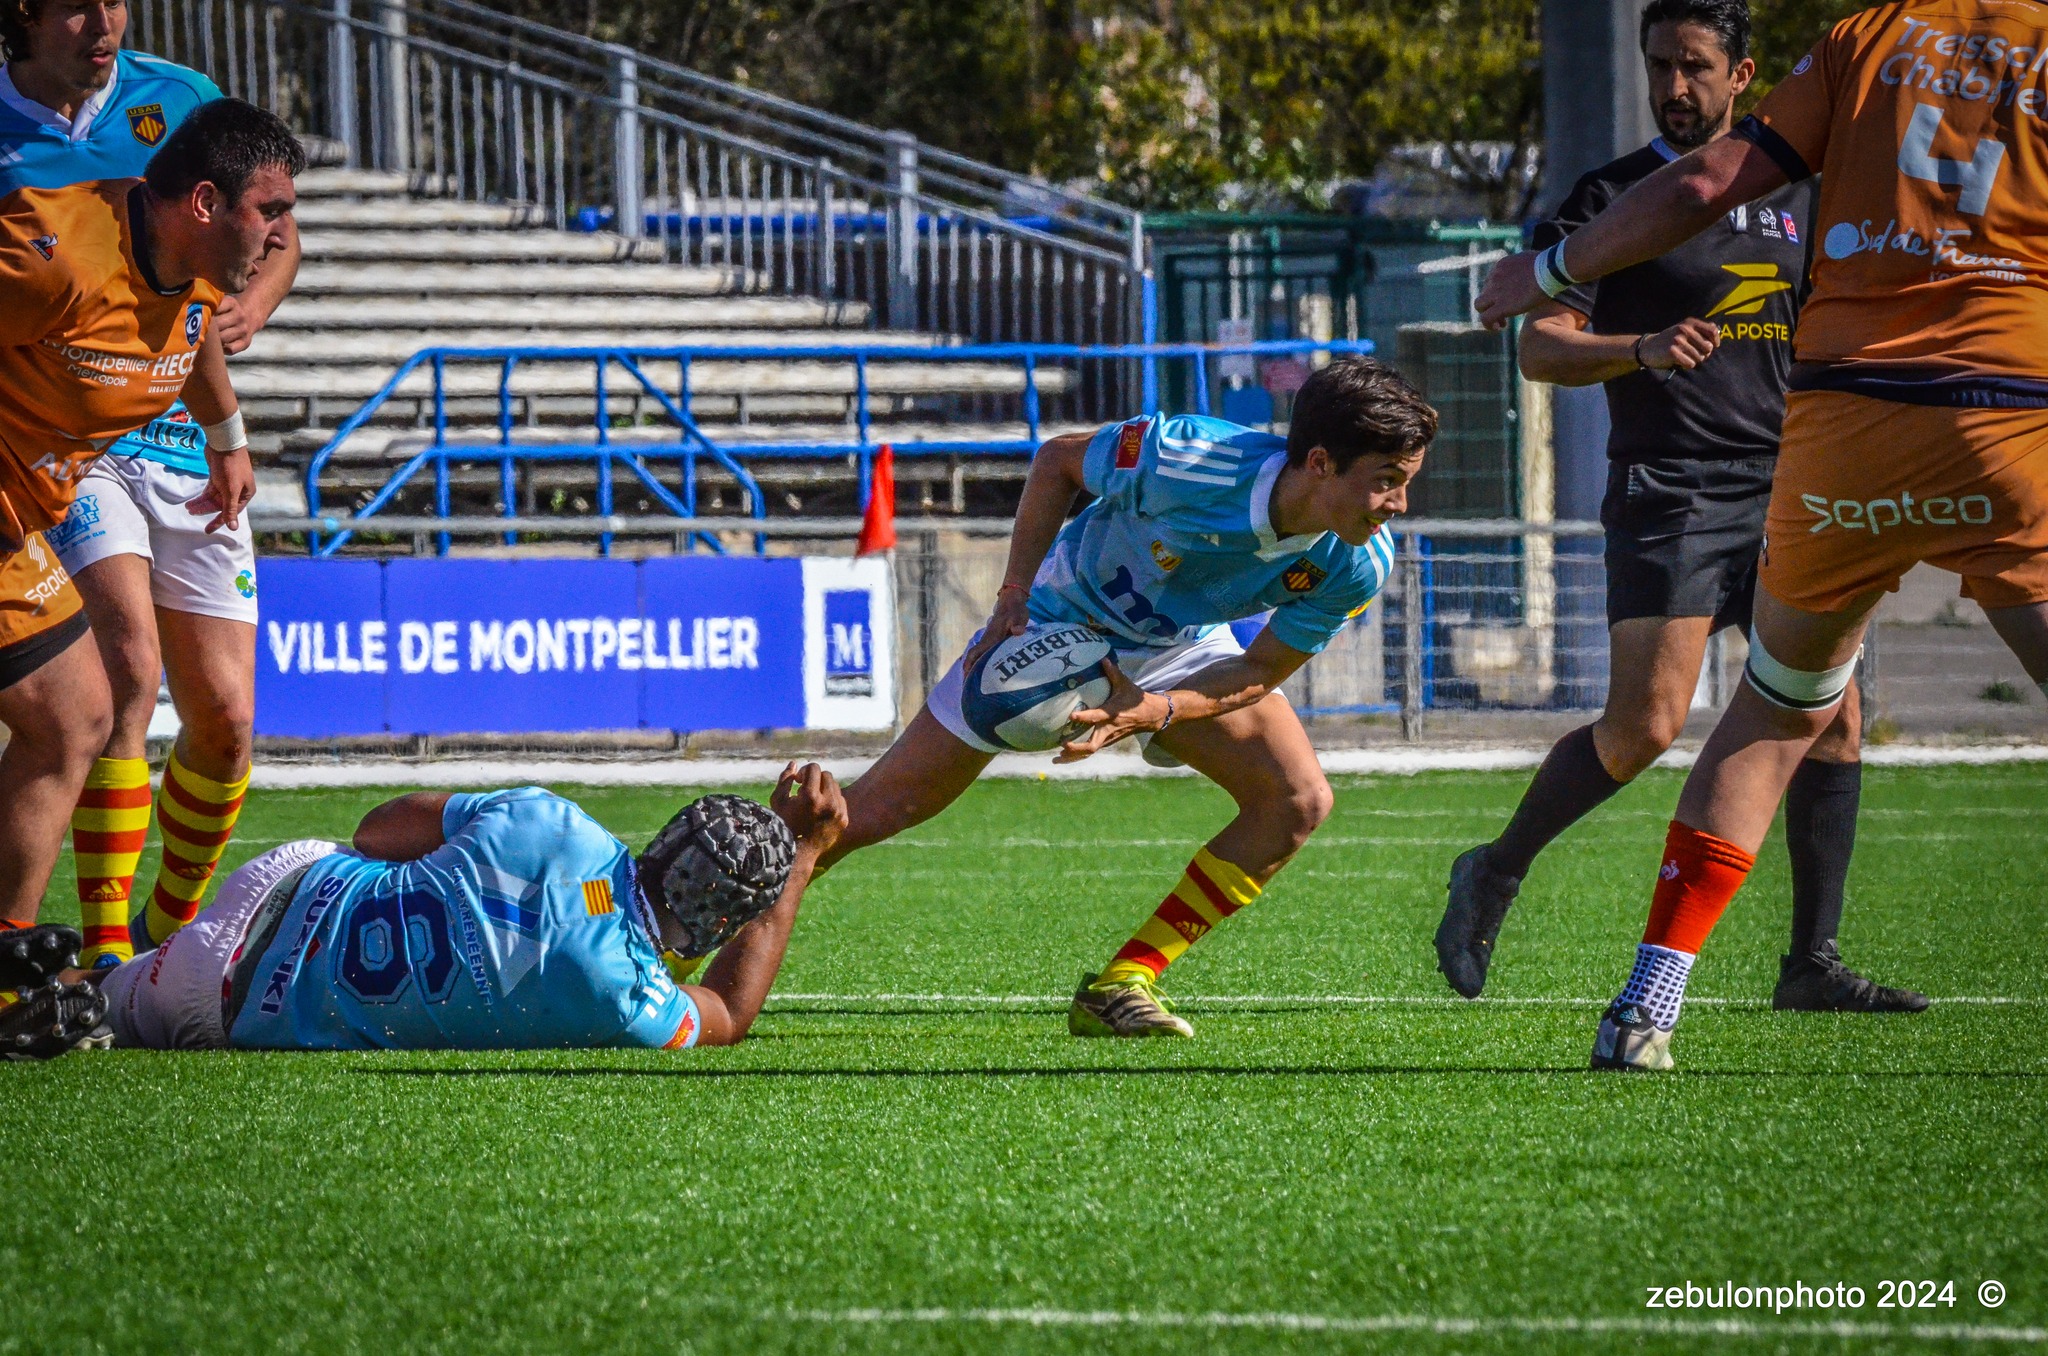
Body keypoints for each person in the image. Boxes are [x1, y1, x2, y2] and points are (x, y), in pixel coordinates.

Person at [1473, 0, 2048, 1069]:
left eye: (1691, 66)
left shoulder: (1857, 48)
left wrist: (1542, 275)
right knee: (1646, 723)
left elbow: (1707, 186)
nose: (1671, 86)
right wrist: (1618, 330)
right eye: (1659, 65)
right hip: (1939, 429)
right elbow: (1555, 340)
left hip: (1826, 446)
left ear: (1740, 76)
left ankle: (1687, 995)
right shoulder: (1609, 188)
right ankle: (1499, 866)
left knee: (1796, 714)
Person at [802, 356, 1434, 1038]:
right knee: (866, 814)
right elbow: (1057, 463)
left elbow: (1258, 670)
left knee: (1298, 800)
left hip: (1178, 645)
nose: (1398, 506)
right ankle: (684, 932)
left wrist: (1158, 711)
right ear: (1319, 462)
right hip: (1058, 620)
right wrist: (1012, 596)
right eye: (1386, 483)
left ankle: (1123, 983)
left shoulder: (1357, 562)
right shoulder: (1185, 456)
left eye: (1404, 483)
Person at [0, 0, 302, 970]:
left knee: (211, 717)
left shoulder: (185, 122)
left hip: (133, 446)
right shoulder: (49, 251)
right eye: (79, 4)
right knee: (111, 687)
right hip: (53, 479)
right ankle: (93, 960)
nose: (106, 22)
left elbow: (188, 316)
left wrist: (227, 435)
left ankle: (155, 944)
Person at [0, 763, 847, 1057]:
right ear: (722, 927)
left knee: (119, 988)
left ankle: (84, 974)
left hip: (294, 878)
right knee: (123, 1016)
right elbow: (729, 1011)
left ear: (668, 836)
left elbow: (376, 829)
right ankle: (93, 993)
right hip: (237, 999)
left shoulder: (556, 821)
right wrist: (802, 857)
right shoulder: (638, 1005)